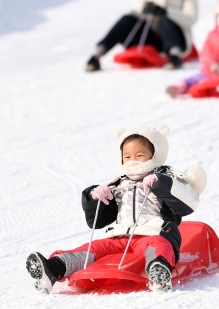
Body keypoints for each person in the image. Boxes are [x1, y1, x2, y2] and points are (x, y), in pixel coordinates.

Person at [26, 125, 207, 294]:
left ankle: (159, 271)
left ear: (155, 155)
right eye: (127, 157)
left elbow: (188, 203)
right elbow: (97, 222)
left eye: (139, 156)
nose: (132, 162)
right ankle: (54, 268)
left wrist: (160, 184)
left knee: (159, 246)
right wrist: (95, 197)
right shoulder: (118, 184)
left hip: (153, 233)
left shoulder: (167, 178)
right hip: (118, 237)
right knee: (92, 248)